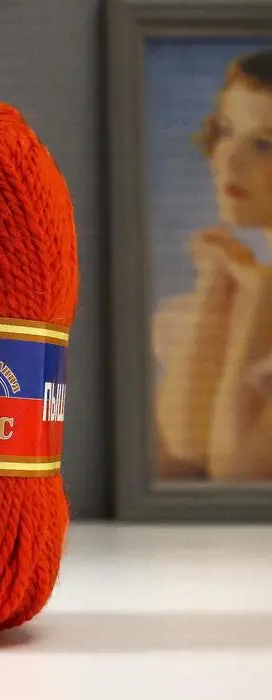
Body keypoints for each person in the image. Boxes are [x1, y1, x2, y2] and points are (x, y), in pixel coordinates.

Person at [153, 49, 272, 481]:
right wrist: (215, 286)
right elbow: (181, 455)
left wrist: (260, 296)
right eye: (225, 131)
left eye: (264, 144)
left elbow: (237, 473)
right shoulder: (221, 294)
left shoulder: (256, 292)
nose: (229, 159)